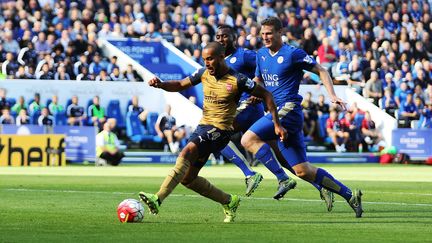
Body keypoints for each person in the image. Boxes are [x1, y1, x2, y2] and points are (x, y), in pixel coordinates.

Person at [139, 42, 284, 223]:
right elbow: (180, 84)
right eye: (204, 59)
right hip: (204, 126)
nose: (207, 63)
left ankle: (158, 198)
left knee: (186, 152)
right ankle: (229, 201)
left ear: (221, 57)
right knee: (188, 179)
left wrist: (276, 124)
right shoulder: (204, 74)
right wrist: (161, 84)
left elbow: (267, 95)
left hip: (221, 131)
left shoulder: (237, 79)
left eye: (210, 59)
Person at [241, 17, 363, 217]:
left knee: (248, 138)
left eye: (269, 33)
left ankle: (282, 179)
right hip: (274, 111)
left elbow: (321, 70)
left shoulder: (293, 53)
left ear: (281, 32)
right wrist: (255, 91)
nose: (265, 37)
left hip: (288, 110)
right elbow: (259, 79)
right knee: (303, 170)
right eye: (262, 34)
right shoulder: (261, 54)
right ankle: (350, 195)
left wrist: (332, 95)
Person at [216, 25, 333, 208]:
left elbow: (268, 68)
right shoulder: (218, 61)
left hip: (251, 106)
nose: (221, 39)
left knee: (216, 132)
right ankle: (319, 185)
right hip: (253, 108)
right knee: (283, 157)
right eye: (218, 36)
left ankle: (251, 173)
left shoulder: (245, 55)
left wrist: (260, 91)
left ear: (234, 38)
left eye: (225, 36)